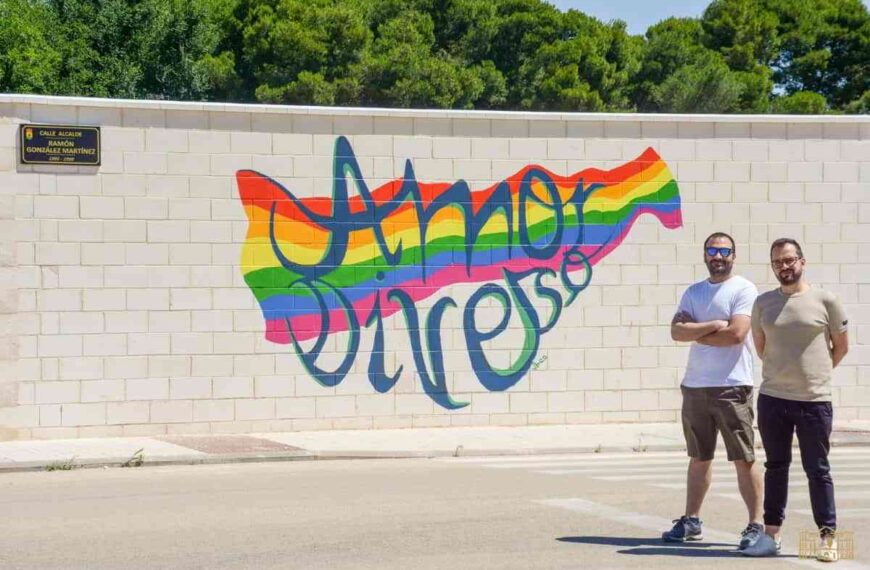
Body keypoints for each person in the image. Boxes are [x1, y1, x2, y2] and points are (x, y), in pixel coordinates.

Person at [742, 238, 849, 561]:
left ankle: (827, 538)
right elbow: (761, 347)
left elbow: (841, 346)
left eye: (789, 260)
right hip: (774, 399)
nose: (784, 267)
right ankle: (770, 536)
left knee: (817, 469)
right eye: (777, 262)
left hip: (814, 401)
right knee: (776, 467)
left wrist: (814, 375)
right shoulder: (763, 303)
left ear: (802, 261)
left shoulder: (825, 300)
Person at [662, 232, 764, 551]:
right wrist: (712, 325)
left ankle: (756, 525)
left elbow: (736, 334)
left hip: (732, 387)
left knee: (743, 458)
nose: (717, 256)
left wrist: (697, 332)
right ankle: (691, 520)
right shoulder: (694, 292)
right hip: (695, 387)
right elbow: (676, 331)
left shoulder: (744, 289)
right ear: (705, 255)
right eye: (712, 250)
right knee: (699, 458)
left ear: (734, 255)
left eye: (724, 251)